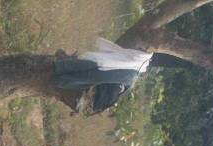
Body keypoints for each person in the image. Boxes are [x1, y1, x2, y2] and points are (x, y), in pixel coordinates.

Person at [53, 38, 190, 114]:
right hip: (84, 81)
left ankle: (58, 73)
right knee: (90, 71)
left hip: (92, 80)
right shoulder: (133, 71)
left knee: (91, 70)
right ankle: (58, 75)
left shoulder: (134, 65)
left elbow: (96, 69)